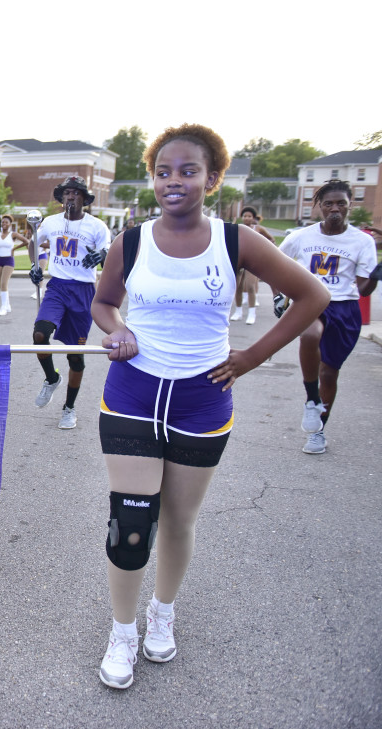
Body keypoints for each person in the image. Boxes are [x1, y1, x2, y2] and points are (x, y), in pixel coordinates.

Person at [90, 124, 329, 690]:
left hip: (203, 401)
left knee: (177, 520)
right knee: (130, 522)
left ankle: (161, 614)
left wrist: (250, 357)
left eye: (188, 171)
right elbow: (102, 302)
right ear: (152, 178)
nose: (174, 181)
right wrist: (117, 329)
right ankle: (122, 631)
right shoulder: (132, 240)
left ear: (213, 178)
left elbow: (313, 296)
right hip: (132, 395)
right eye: (163, 171)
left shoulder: (235, 241)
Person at [275, 179, 380, 455]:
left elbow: (363, 288)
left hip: (345, 308)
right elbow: (270, 263)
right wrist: (278, 295)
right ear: (319, 206)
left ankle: (318, 430)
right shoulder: (301, 237)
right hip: (311, 300)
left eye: (341, 204)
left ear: (349, 206)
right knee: (309, 335)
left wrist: (376, 275)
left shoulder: (362, 241)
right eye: (329, 203)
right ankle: (311, 399)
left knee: (329, 373)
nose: (335, 208)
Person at [32, 176, 112, 430]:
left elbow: (108, 251)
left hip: (83, 291)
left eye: (76, 193)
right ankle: (51, 378)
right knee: (39, 334)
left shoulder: (97, 226)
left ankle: (69, 408)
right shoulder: (51, 222)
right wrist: (35, 266)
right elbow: (35, 241)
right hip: (57, 286)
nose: (70, 197)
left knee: (75, 355)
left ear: (84, 199)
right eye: (67, 193)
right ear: (61, 197)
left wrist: (100, 255)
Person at [229, 206, 273, 324]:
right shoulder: (237, 228)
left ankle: (251, 313)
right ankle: (238, 312)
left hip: (253, 261)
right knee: (238, 287)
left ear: (253, 218)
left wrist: (264, 251)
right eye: (244, 216)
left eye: (249, 216)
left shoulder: (258, 228)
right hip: (239, 260)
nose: (247, 218)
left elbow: (271, 239)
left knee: (250, 287)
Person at [0, 215, 30, 315]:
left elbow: (26, 241)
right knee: (1, 285)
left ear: (10, 224)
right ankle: (7, 305)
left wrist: (14, 249)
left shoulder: (13, 234)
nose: (4, 224)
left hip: (8, 260)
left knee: (4, 283)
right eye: (2, 222)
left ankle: (3, 307)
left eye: (6, 222)